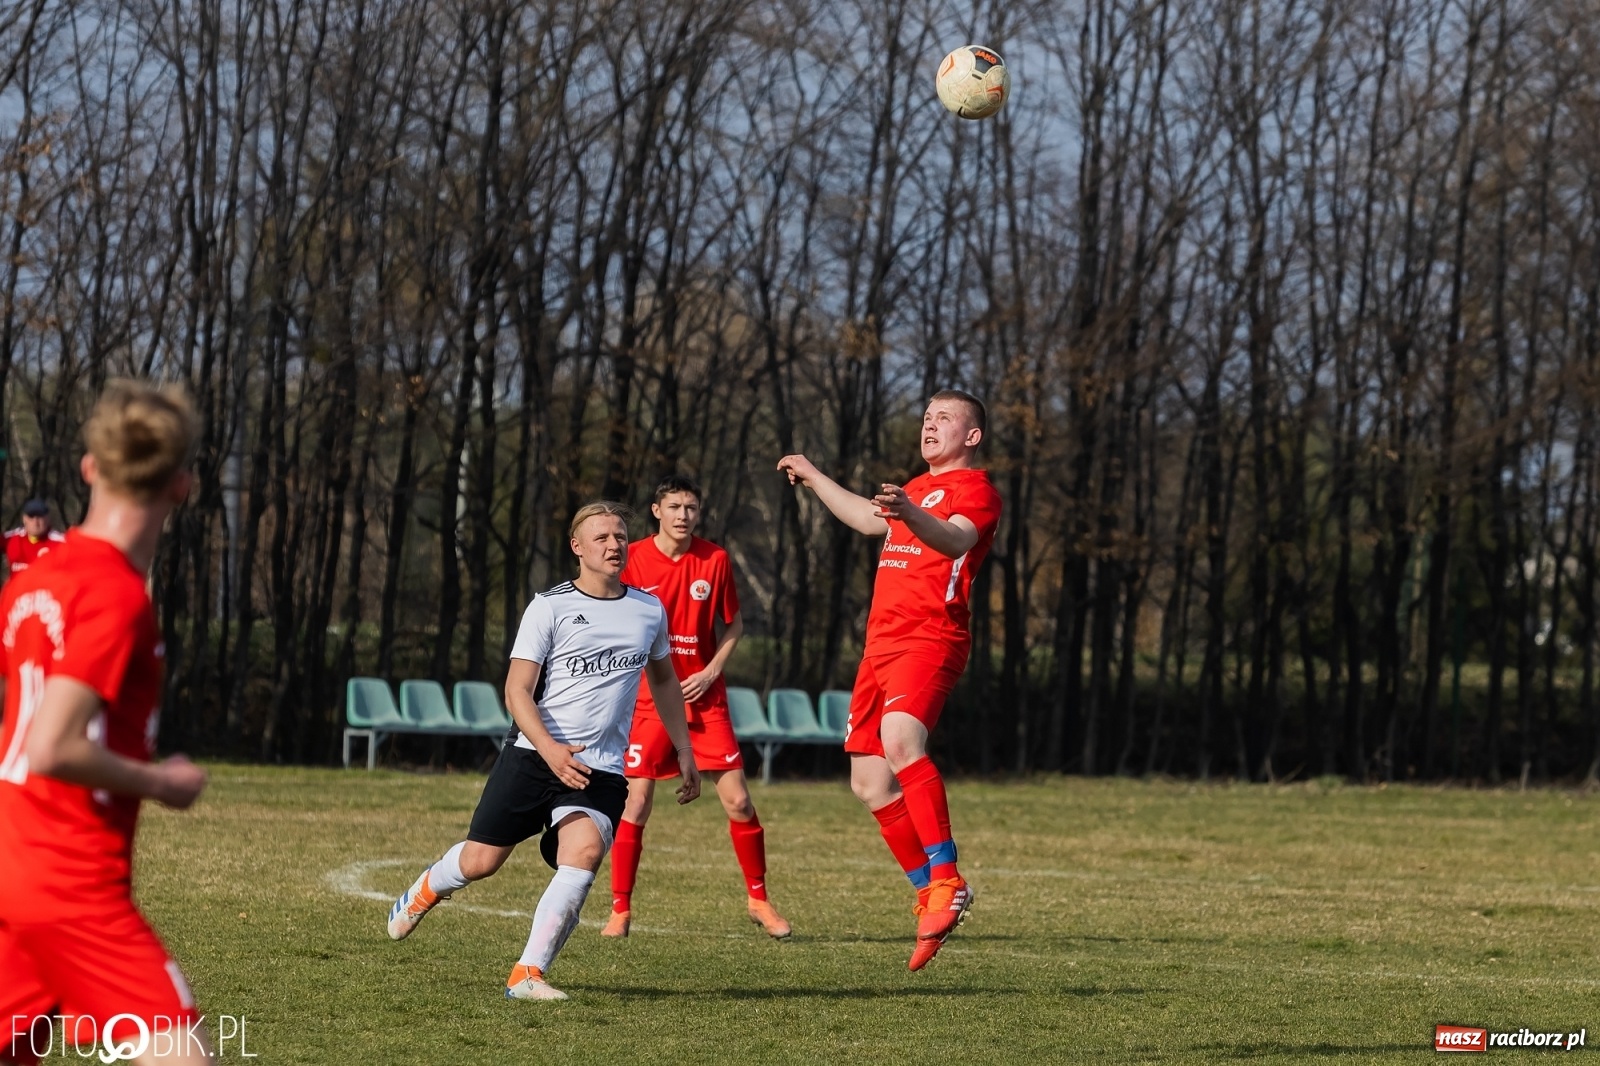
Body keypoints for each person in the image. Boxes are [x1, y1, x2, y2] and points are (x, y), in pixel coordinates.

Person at [386, 501, 702, 1001]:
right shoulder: (549, 606)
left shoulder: (648, 609)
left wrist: (683, 747)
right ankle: (426, 889)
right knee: (481, 862)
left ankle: (527, 974)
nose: (614, 545)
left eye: (620, 536)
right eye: (601, 538)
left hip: (600, 766)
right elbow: (516, 691)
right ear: (577, 548)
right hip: (534, 756)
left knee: (586, 853)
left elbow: (663, 678)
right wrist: (551, 749)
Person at [0, 381, 212, 1065]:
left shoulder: (29, 586)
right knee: (184, 1054)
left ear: (89, 467)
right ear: (182, 485)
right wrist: (159, 779)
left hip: (12, 862)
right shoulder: (116, 597)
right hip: (69, 883)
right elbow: (52, 743)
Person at [777, 389, 1002, 971]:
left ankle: (947, 877)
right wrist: (814, 474)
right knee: (870, 783)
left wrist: (910, 512)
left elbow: (954, 540)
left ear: (972, 436)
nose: (930, 426)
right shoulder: (915, 488)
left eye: (944, 418)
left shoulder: (974, 491)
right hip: (880, 646)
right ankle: (930, 887)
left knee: (903, 743)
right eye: (926, 417)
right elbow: (862, 516)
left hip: (929, 638)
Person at [601, 475, 791, 940]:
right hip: (648, 701)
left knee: (740, 800)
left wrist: (711, 671)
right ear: (656, 510)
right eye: (675, 506)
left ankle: (758, 899)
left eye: (691, 507)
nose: (683, 515)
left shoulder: (716, 559)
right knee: (636, 803)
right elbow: (616, 617)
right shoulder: (634, 559)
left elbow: (734, 624)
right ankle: (620, 910)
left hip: (706, 701)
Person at [2, 499, 66, 581]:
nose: (35, 522)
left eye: (40, 517)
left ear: (47, 519)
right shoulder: (12, 538)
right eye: (31, 517)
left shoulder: (60, 542)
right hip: (17, 593)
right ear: (24, 519)